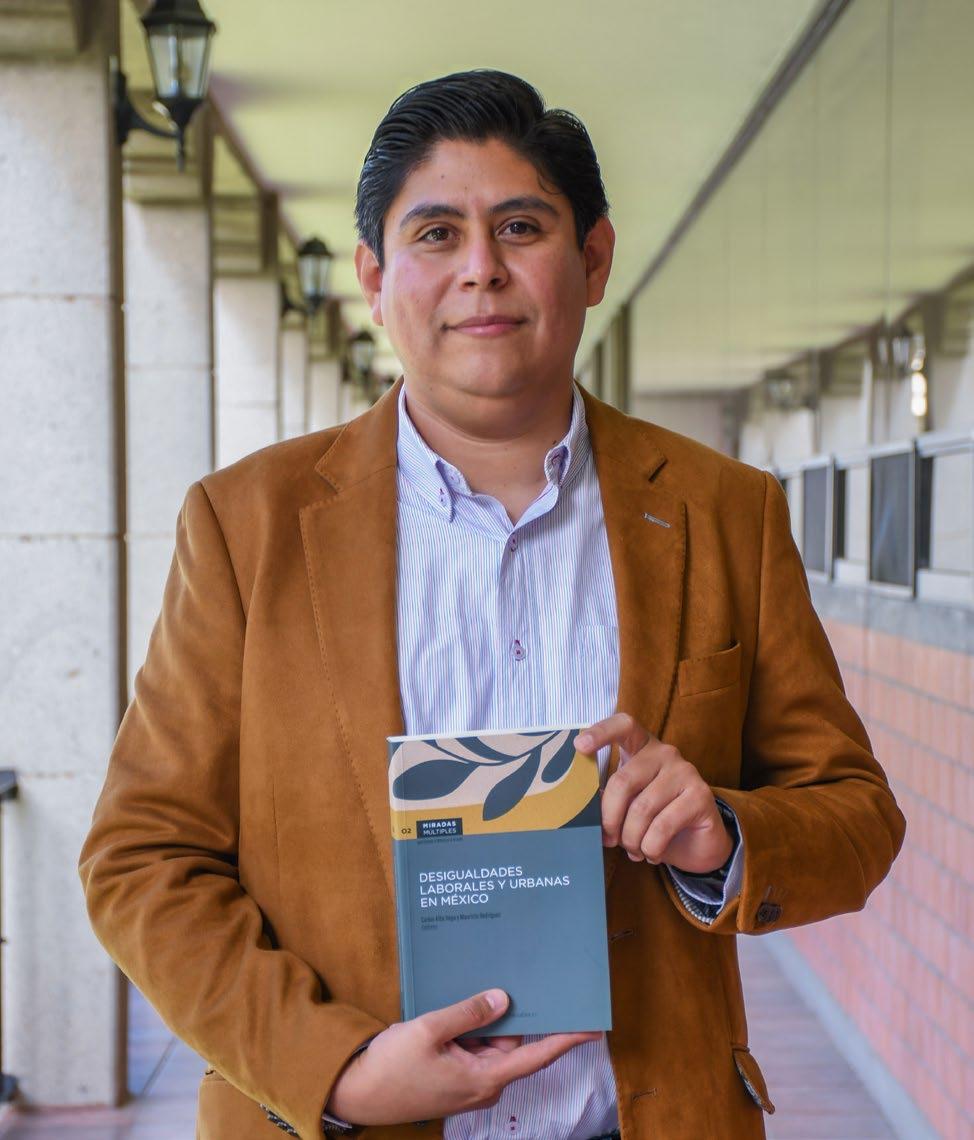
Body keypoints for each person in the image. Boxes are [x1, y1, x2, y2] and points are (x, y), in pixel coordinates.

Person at [80, 70, 905, 1140]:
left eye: (520, 226)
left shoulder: (722, 511)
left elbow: (854, 811)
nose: (480, 268)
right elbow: (142, 859)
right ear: (375, 277)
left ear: (592, 259)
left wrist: (725, 834)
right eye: (436, 234)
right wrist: (334, 1071)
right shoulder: (248, 526)